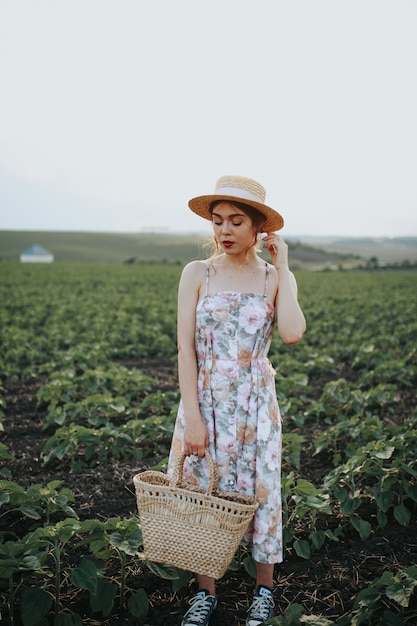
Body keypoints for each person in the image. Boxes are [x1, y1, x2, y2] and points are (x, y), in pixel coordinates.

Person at [167, 175, 306, 626]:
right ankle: (205, 594)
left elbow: (291, 333)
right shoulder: (197, 273)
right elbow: (185, 349)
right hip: (205, 400)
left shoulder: (273, 278)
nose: (224, 230)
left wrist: (283, 267)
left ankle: (263, 592)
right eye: (218, 220)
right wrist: (192, 418)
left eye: (236, 220)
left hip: (255, 406)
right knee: (204, 491)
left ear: (258, 227)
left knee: (261, 493)